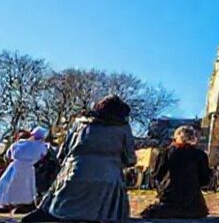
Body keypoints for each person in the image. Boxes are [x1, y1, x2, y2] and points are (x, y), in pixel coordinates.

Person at [24, 95, 136, 223]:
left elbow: (63, 152)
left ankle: (45, 212)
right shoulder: (122, 127)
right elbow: (130, 158)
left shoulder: (79, 123)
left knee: (58, 209)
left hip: (75, 174)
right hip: (107, 180)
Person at [139, 126, 211, 219]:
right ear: (193, 138)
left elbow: (156, 175)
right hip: (193, 204)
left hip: (169, 200)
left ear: (176, 138)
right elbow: (204, 180)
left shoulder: (165, 152)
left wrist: (162, 188)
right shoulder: (200, 155)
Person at [0, 127, 49, 213]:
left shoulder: (18, 144)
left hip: (14, 166)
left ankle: (0, 202)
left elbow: (8, 154)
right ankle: (22, 203)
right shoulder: (41, 146)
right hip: (28, 169)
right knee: (25, 187)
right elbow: (43, 156)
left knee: (7, 184)